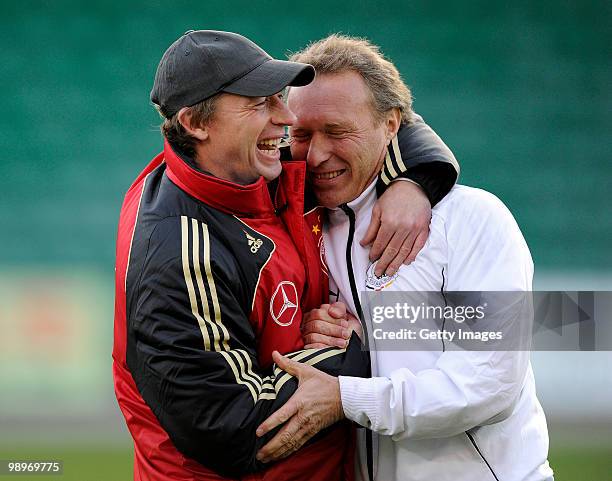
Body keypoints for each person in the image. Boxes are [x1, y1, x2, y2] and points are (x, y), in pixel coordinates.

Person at [113, 30, 459, 481]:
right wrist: (353, 351)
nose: (286, 117)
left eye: (279, 97)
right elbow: (234, 427)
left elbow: (379, 117)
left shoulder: (261, 166)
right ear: (196, 124)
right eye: (259, 104)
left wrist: (417, 182)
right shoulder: (176, 250)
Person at [256, 35, 554, 481]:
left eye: (337, 131)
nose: (316, 156)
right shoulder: (304, 228)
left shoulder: (472, 219)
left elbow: (487, 382)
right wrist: (354, 345)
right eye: (302, 135)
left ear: (392, 125)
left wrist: (345, 397)